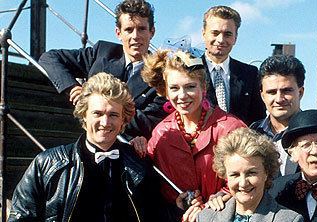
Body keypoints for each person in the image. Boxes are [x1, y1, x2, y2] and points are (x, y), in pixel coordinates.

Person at [8, 73, 163, 221]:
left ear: (124, 119)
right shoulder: (47, 164)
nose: (105, 122)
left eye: (113, 115)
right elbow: (22, 216)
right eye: (97, 113)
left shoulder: (140, 164)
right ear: (84, 115)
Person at [141, 49, 246, 221]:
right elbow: (154, 188)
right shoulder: (161, 134)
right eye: (174, 88)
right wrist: (176, 201)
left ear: (203, 87)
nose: (182, 96)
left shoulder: (231, 128)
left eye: (190, 86)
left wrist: (223, 196)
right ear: (166, 92)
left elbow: (252, 176)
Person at [38, 0, 167, 139]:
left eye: (141, 29)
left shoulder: (162, 73)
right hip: (87, 140)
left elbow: (147, 122)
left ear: (152, 32)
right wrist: (72, 88)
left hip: (128, 147)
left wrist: (97, 107)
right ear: (118, 33)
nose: (135, 36)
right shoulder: (102, 52)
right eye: (129, 30)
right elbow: (49, 58)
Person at [251, 55, 317, 176]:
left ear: (300, 92)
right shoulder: (252, 133)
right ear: (262, 95)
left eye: (286, 91)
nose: (279, 99)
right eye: (271, 92)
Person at [187, 128, 302, 222]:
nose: (243, 183)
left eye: (251, 173)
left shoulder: (289, 219)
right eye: (235, 175)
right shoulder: (206, 217)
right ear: (225, 176)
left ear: (266, 173)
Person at [201, 5, 265, 126]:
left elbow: (258, 118)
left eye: (227, 34)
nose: (220, 39)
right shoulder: (189, 71)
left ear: (235, 37)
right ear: (204, 33)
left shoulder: (250, 74)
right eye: (215, 33)